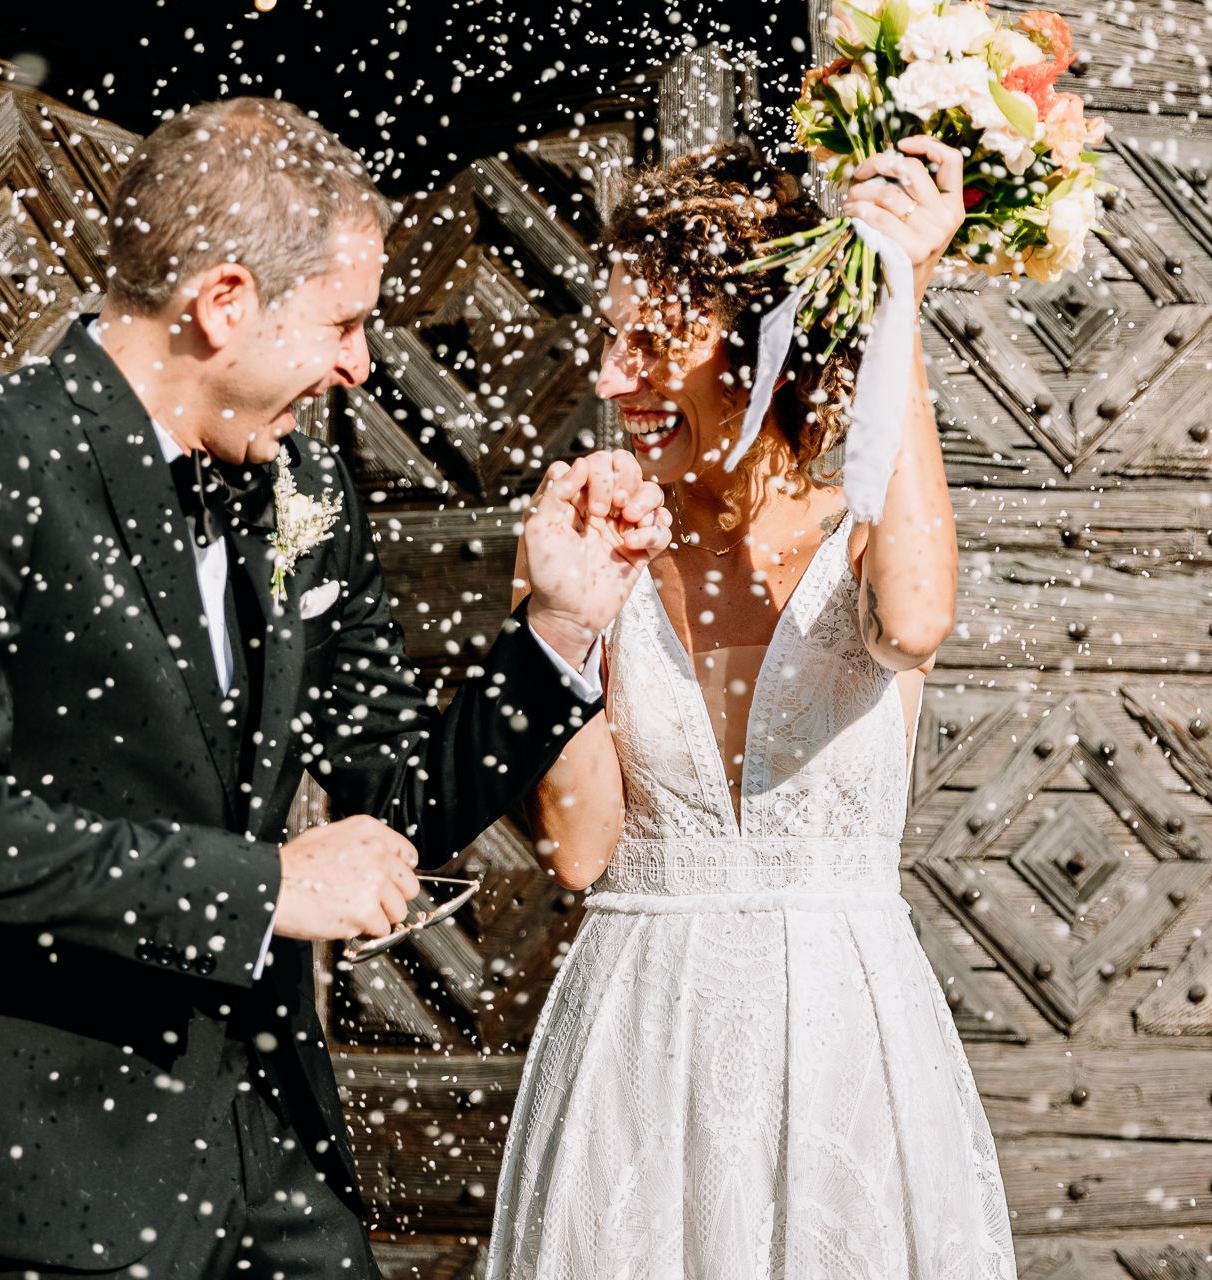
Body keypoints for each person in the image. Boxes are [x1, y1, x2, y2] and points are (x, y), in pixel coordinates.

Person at [0, 97, 669, 1280]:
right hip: (39, 1174)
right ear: (225, 301)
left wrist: (557, 628)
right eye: (341, 322)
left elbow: (400, 796)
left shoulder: (307, 486)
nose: (359, 364)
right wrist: (263, 884)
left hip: (272, 1156)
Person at [488, 139, 1017, 1278]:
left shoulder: (865, 523)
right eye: (610, 334)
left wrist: (898, 304)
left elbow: (914, 621)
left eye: (653, 339)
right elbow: (581, 851)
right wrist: (560, 613)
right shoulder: (598, 536)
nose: (614, 373)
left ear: (759, 341)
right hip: (639, 1036)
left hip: (841, 1038)